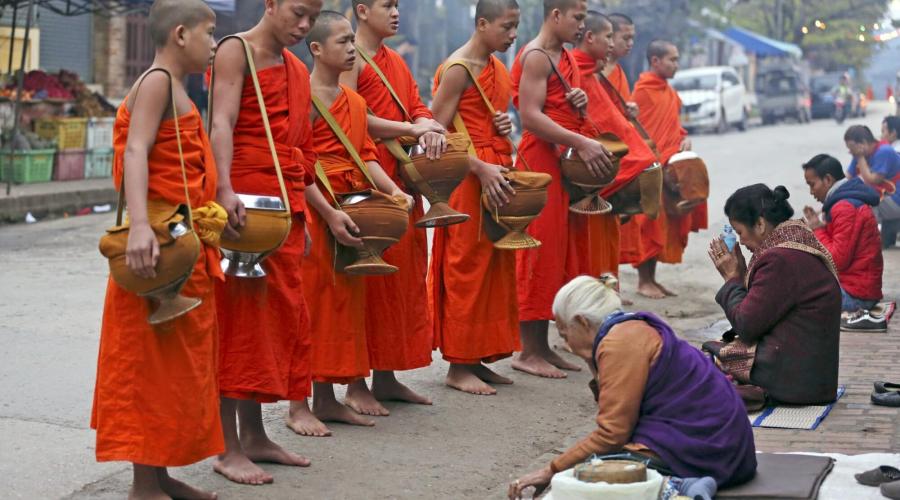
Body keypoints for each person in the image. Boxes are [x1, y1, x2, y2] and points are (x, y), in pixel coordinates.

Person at [91, 2, 225, 498]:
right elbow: (135, 149)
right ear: (181, 33)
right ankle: (143, 485)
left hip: (180, 242)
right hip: (156, 249)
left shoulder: (178, 85)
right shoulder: (156, 82)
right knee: (149, 365)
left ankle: (161, 476)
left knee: (174, 368)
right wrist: (143, 226)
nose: (215, 44)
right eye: (210, 34)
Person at [507, 275, 757, 499]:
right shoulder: (626, 328)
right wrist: (589, 358)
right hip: (727, 448)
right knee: (586, 468)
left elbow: (611, 433)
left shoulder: (618, 342)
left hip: (709, 450)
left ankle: (676, 486)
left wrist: (550, 471)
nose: (567, 344)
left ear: (583, 322)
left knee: (586, 475)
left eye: (564, 334)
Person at [209, 0, 322, 484]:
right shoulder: (236, 51)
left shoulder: (297, 68)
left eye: (312, 17)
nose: (304, 25)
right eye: (297, 12)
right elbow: (221, 124)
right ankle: (226, 446)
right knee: (237, 324)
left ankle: (254, 435)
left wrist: (313, 213)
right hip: (244, 205)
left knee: (273, 325)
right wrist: (223, 189)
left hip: (285, 203)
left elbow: (301, 143)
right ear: (270, 4)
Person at [297, 11, 417, 432]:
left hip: (351, 202)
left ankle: (328, 397)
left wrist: (392, 191)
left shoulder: (355, 101)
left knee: (344, 303)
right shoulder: (303, 97)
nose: (351, 49)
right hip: (318, 206)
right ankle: (299, 406)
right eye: (342, 42)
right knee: (311, 303)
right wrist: (327, 212)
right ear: (315, 49)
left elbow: (364, 153)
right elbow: (297, 164)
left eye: (352, 42)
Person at [332, 0, 441, 416]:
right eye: (386, 5)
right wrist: (411, 128)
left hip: (402, 176)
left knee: (403, 279)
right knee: (369, 282)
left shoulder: (395, 59)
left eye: (397, 5)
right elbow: (353, 118)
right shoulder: (349, 58)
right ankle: (357, 383)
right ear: (361, 10)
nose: (395, 12)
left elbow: (416, 103)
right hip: (366, 175)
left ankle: (387, 376)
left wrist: (427, 124)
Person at [510, 0, 615, 379]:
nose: (581, 26)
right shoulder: (536, 55)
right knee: (540, 251)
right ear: (556, 15)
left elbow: (555, 105)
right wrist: (583, 143)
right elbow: (531, 116)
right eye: (578, 17)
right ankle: (528, 350)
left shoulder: (562, 55)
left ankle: (544, 347)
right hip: (540, 161)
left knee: (562, 253)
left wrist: (578, 102)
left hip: (562, 161)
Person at [428, 0, 522, 395]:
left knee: (496, 265)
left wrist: (503, 126)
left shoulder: (497, 68)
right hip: (469, 178)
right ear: (482, 24)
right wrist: (479, 167)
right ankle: (458, 364)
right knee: (465, 264)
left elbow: (487, 121)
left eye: (516, 26)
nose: (513, 35)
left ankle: (481, 355)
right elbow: (434, 134)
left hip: (497, 171)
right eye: (507, 26)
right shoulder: (457, 69)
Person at [708, 185, 841, 407]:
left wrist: (732, 279)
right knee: (713, 354)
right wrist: (739, 279)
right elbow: (761, 313)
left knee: (703, 359)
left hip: (793, 381)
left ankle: (752, 392)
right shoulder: (794, 244)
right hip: (809, 378)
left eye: (740, 232)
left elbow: (747, 325)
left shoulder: (779, 259)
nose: (740, 242)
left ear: (760, 224)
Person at [571, 11, 657, 278]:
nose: (614, 44)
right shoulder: (571, 69)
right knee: (586, 239)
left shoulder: (599, 71)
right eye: (613, 37)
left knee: (605, 234)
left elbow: (607, 118)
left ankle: (607, 288)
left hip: (605, 161)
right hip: (587, 165)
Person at [631, 40, 705, 298]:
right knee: (648, 222)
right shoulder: (642, 92)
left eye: (677, 59)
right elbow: (637, 131)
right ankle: (643, 281)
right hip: (649, 166)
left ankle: (652, 279)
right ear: (655, 61)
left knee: (664, 223)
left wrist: (684, 138)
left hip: (670, 166)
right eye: (672, 59)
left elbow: (674, 126)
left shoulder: (669, 92)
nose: (676, 64)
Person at [801, 154, 885, 331]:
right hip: (856, 287)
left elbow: (836, 260)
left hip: (857, 295)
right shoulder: (841, 203)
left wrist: (817, 229)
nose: (811, 191)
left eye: (812, 184)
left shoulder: (844, 207)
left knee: (795, 295)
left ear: (828, 179)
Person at [845, 124, 900, 249]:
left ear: (863, 143)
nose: (850, 152)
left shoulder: (884, 151)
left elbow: (872, 181)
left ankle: (868, 242)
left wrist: (859, 157)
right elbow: (847, 177)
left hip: (896, 200)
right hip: (886, 200)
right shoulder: (859, 154)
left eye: (852, 148)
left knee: (863, 200)